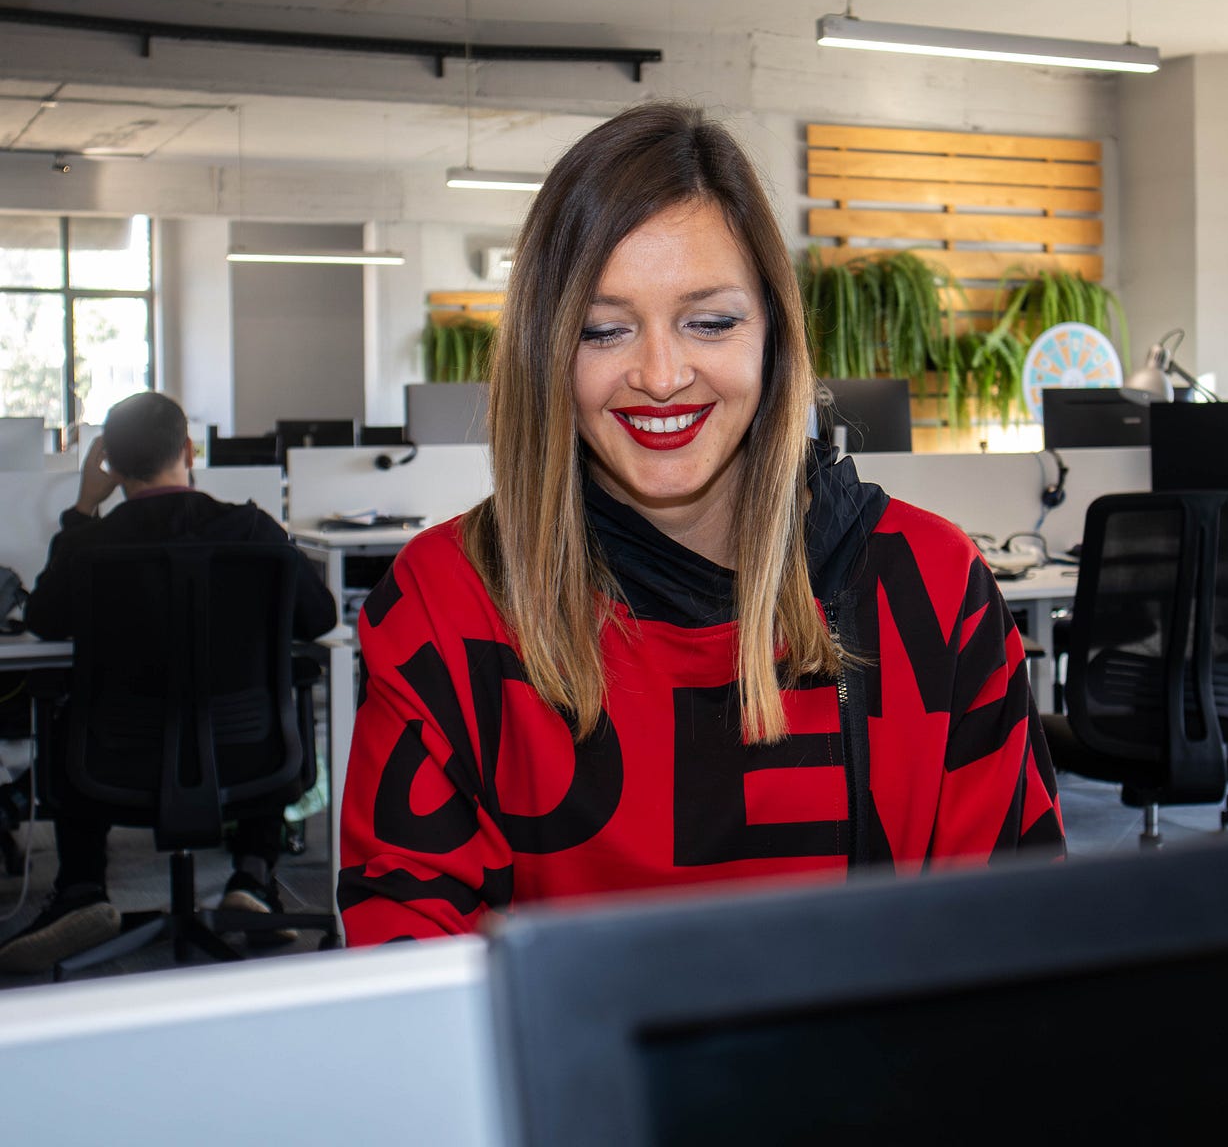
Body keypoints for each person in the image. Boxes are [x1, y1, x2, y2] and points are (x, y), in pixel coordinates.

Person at [338, 103, 1064, 946]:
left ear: (774, 339)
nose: (660, 374)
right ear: (544, 354)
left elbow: (1014, 950)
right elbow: (411, 975)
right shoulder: (447, 599)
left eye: (710, 321)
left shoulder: (930, 585)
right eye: (602, 330)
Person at [0, 391, 337, 973]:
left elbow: (43, 621)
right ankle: (253, 875)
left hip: (109, 766)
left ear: (111, 464)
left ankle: (82, 889)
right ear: (188, 449)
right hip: (253, 760)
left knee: (57, 696)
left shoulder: (92, 544)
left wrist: (83, 508)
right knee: (292, 681)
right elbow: (322, 619)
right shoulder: (252, 529)